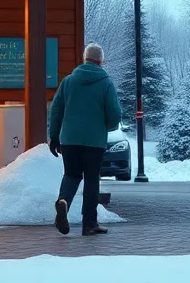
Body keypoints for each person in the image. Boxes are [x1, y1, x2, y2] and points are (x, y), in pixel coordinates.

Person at [49, 43, 121, 236]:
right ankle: (89, 224)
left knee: (71, 174)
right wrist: (107, 125)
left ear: (84, 59)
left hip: (69, 139)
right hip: (94, 141)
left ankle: (63, 201)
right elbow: (115, 114)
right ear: (100, 61)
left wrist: (54, 136)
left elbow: (55, 110)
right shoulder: (105, 83)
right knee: (91, 179)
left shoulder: (68, 81)